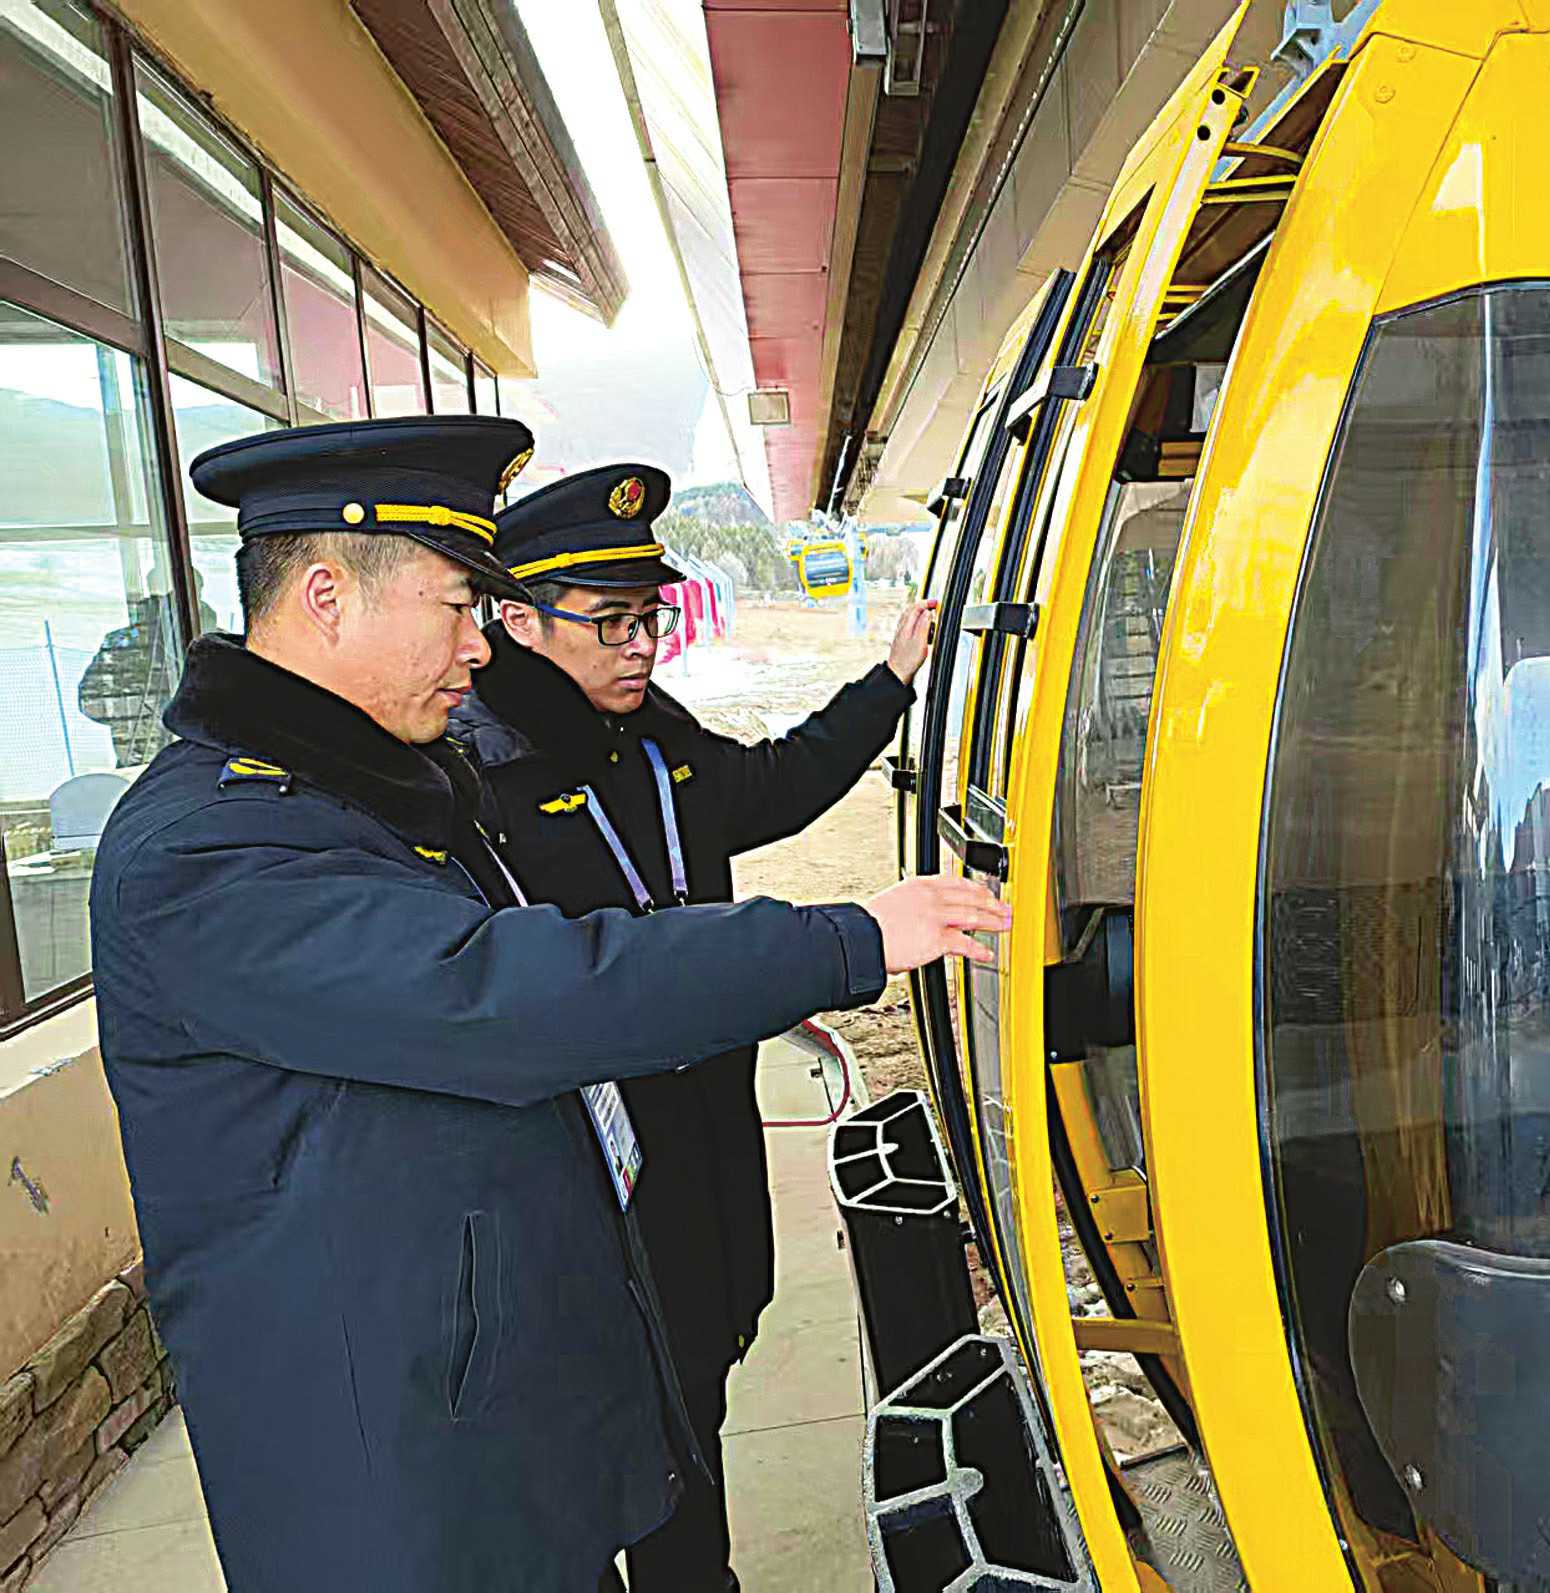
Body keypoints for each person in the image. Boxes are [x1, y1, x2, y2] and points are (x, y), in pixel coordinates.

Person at [88, 416, 1006, 1593]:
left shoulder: (376, 788)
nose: (478, 646)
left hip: (485, 1398)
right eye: (456, 607)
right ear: (327, 596)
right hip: (392, 1468)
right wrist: (848, 939)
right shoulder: (214, 848)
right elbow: (503, 992)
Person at [448, 463, 928, 1591]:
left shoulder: (652, 743)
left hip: (698, 1146)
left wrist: (889, 683)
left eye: (648, 618)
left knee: (692, 1398)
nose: (639, 647)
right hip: (582, 1182)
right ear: (516, 621)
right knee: (611, 1440)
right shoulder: (470, 783)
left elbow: (774, 786)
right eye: (608, 621)